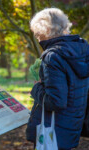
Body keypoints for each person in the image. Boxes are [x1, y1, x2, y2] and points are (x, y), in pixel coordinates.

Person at [26, 8, 89, 150]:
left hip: (53, 131)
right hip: (71, 127)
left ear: (46, 30)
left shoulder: (53, 57)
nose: (37, 37)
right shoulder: (82, 50)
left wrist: (36, 88)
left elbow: (55, 102)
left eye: (37, 32)